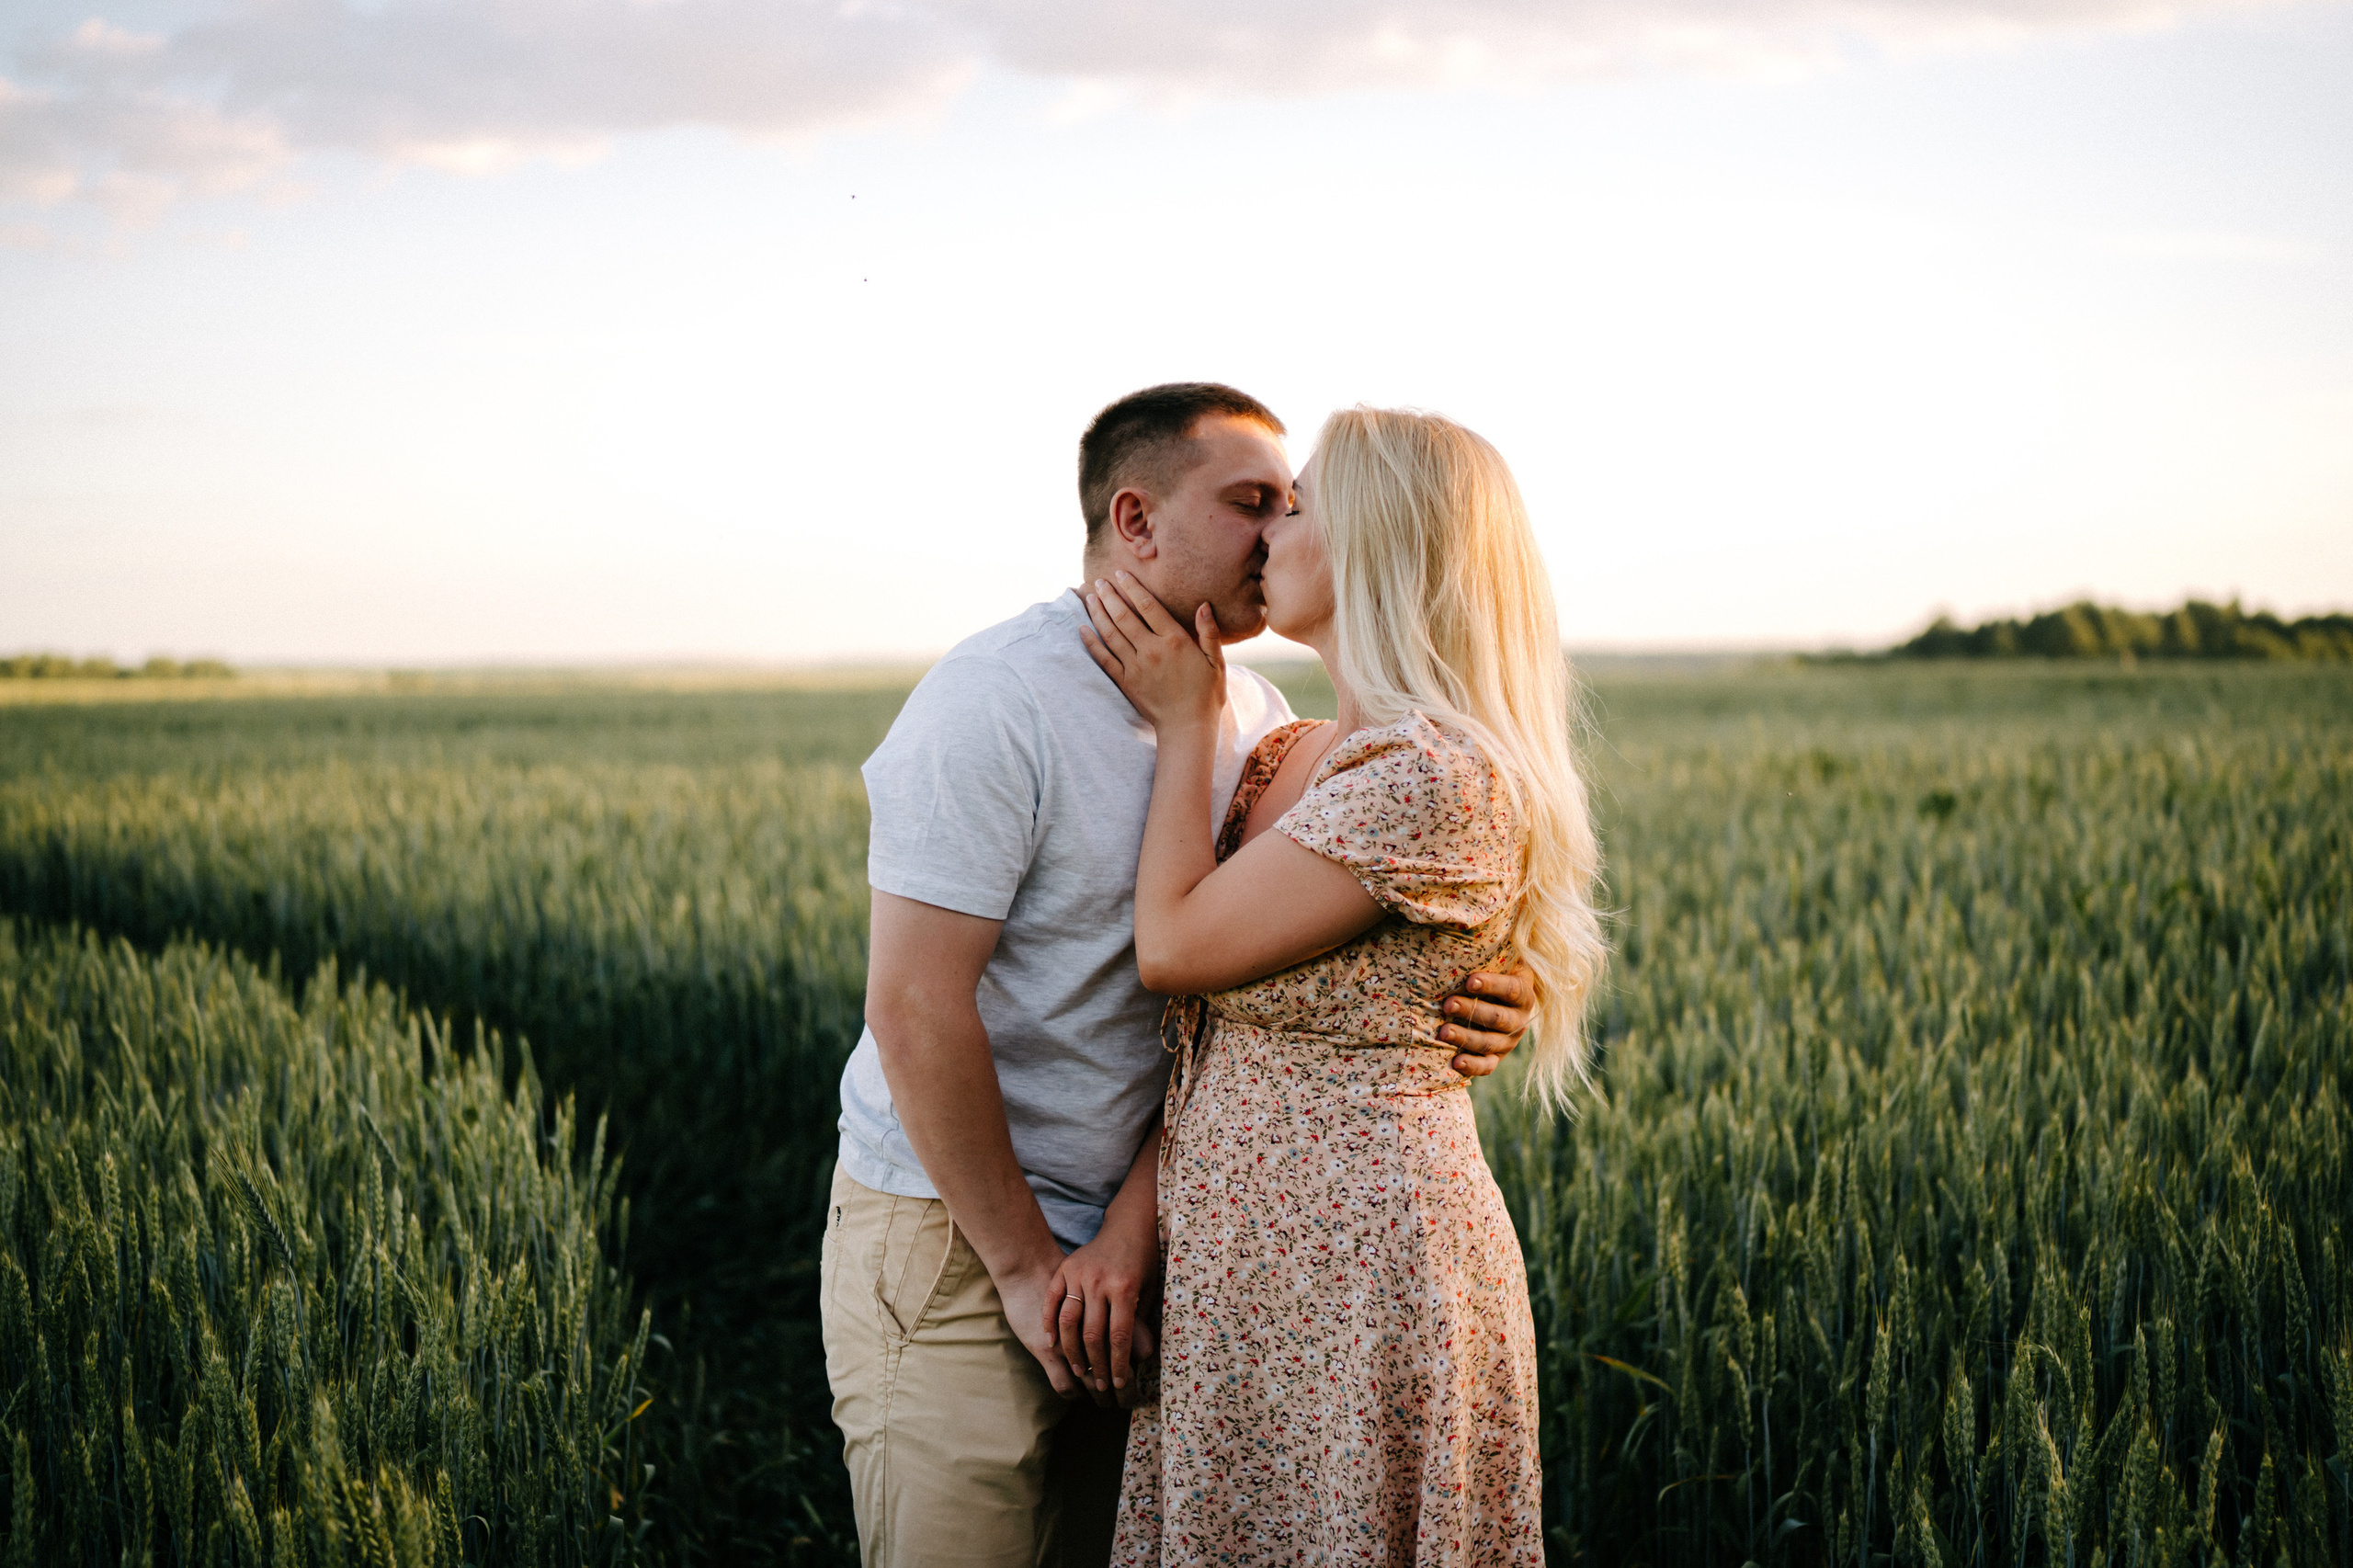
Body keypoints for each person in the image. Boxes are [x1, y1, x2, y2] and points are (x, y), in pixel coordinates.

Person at [822, 383, 1542, 1567]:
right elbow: (911, 1004)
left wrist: (1473, 985)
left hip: (1170, 1253)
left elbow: (1256, 995)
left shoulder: (1253, 715)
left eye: (1292, 505)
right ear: (1136, 520)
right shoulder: (997, 697)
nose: (1273, 533)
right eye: (1253, 501)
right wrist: (1023, 1269)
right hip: (966, 1238)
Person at [1070, 405, 1607, 1565]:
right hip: (1241, 1276)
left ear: (1374, 544)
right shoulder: (1291, 752)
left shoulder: (1435, 776)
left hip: (1364, 1278)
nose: (1268, 532)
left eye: (1297, 505)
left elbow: (1173, 949)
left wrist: (1184, 719)